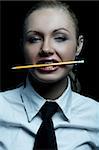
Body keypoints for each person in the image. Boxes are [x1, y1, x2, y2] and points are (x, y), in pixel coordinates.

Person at [0, 1, 99, 150]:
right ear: (22, 46)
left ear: (79, 45)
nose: (46, 49)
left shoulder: (96, 115)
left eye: (60, 38)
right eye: (34, 39)